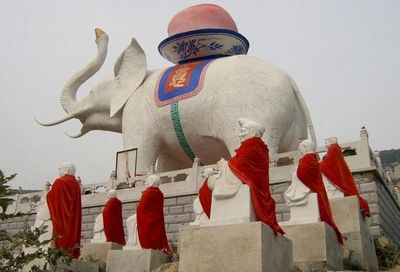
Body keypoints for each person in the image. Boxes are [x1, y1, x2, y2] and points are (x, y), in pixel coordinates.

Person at [219, 118, 284, 234]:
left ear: (253, 132)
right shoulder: (261, 148)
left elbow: (240, 166)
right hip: (259, 186)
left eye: (243, 131)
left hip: (250, 183)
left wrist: (224, 165)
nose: (239, 135)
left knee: (210, 184)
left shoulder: (251, 145)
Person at [296, 140, 343, 244]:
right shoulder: (312, 159)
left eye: (300, 149)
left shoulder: (307, 159)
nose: (300, 151)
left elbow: (301, 174)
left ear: (305, 147)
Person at [320, 137, 370, 217]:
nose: (325, 142)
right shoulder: (335, 149)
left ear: (331, 142)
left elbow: (329, 162)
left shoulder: (333, 148)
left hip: (334, 175)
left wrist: (319, 165)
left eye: (327, 141)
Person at [46, 162, 82, 258]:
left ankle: (62, 252)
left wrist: (47, 193)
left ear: (66, 170)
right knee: (72, 236)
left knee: (62, 237)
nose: (59, 171)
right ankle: (72, 254)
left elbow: (52, 198)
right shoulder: (76, 184)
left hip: (62, 218)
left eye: (60, 169)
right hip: (73, 219)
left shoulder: (59, 182)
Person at [136, 175, 171, 254]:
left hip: (146, 218)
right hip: (157, 218)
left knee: (130, 220)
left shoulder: (147, 193)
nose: (146, 181)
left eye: (148, 180)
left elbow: (141, 208)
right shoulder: (160, 194)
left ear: (151, 182)